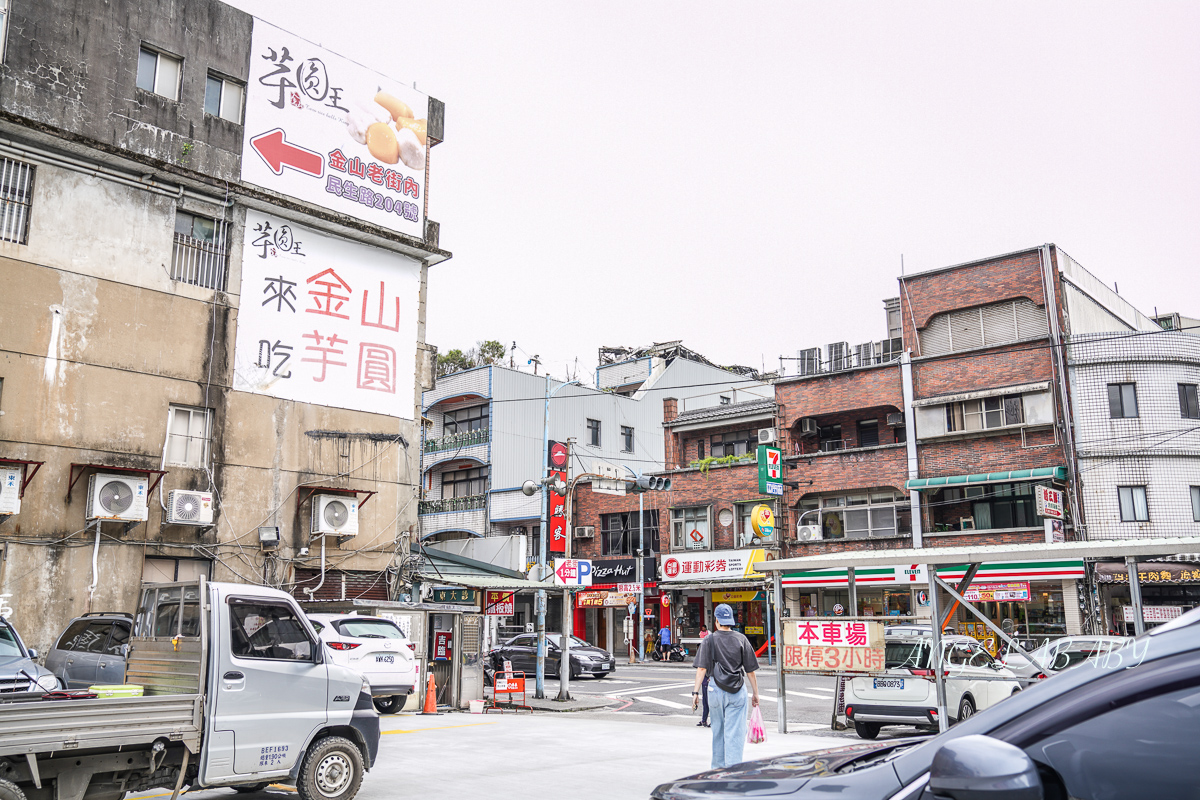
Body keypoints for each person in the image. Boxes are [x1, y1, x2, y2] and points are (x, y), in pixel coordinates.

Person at [691, 604, 759, 768]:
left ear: (716, 621)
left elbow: (702, 668)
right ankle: (733, 773)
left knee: (718, 731)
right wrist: (756, 693)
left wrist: (695, 693)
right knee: (735, 733)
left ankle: (717, 772)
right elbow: (750, 671)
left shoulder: (709, 639)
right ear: (730, 620)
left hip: (715, 689)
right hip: (737, 690)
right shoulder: (741, 639)